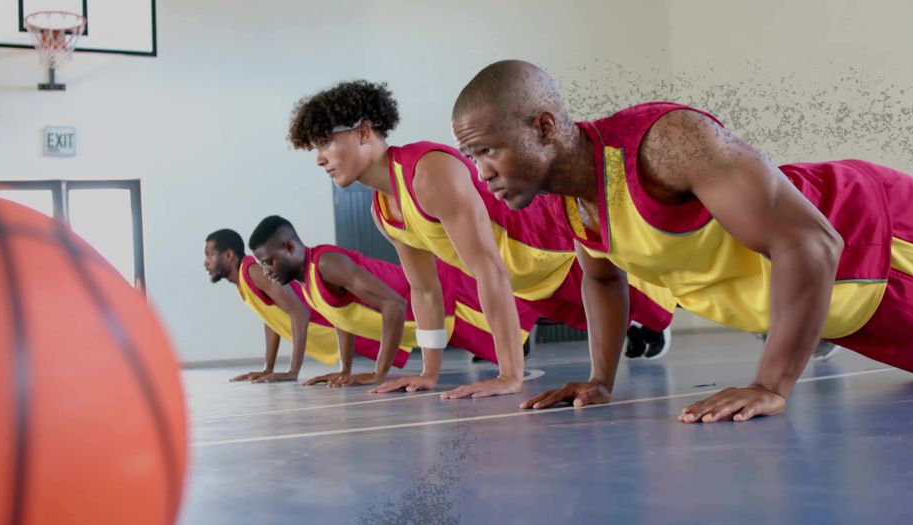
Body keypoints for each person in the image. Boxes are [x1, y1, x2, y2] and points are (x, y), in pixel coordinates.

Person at [450, 59, 913, 422]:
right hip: (851, 313)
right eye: (472, 157)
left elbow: (811, 242)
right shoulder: (564, 198)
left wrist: (769, 386)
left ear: (544, 127)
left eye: (489, 150)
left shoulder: (665, 142)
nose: (481, 173)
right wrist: (600, 380)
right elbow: (603, 282)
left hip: (881, 242)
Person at [287, 81, 677, 400]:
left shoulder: (427, 172)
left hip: (555, 250)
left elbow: (486, 266)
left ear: (363, 132)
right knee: (616, 321)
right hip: (527, 284)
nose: (320, 158)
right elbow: (424, 291)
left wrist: (510, 375)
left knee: (664, 301)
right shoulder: (383, 211)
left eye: (325, 143)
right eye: (314, 149)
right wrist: (428, 372)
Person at [247, 216, 540, 389]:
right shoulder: (308, 279)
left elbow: (395, 305)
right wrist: (344, 368)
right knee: (514, 326)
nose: (266, 271)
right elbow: (342, 320)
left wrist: (379, 373)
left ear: (290, 247)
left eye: (269, 262)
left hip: (447, 298)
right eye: (262, 265)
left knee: (535, 304)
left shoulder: (326, 263)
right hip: (431, 311)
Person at [203, 229, 393, 384]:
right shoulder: (243, 282)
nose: (206, 262)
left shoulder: (253, 271)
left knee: (404, 323)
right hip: (340, 327)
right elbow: (271, 321)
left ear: (228, 255)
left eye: (209, 255)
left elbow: (300, 312)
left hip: (339, 323)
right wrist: (268, 368)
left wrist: (292, 371)